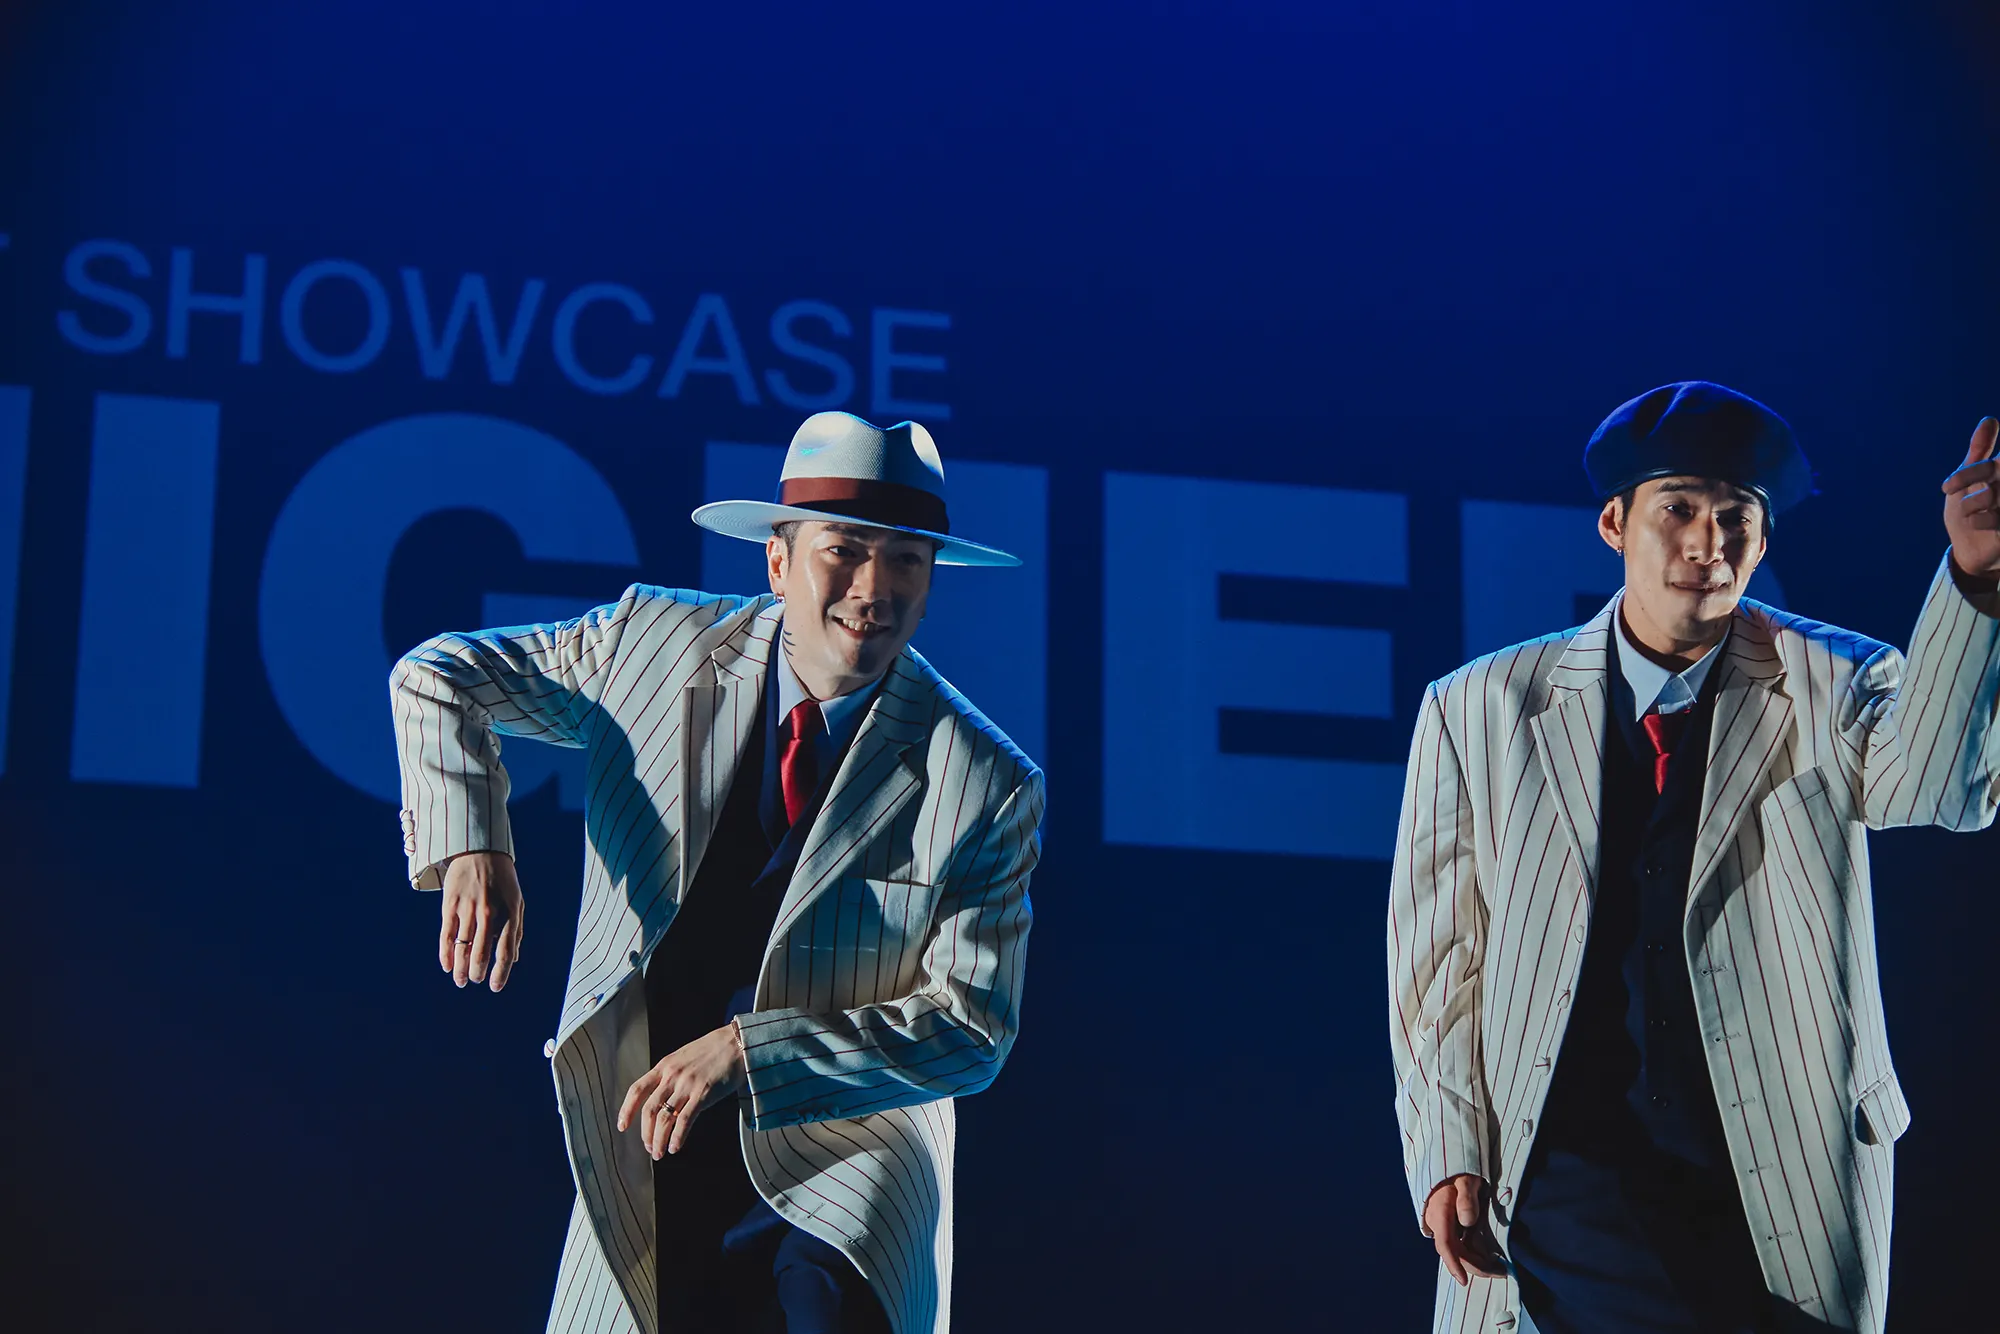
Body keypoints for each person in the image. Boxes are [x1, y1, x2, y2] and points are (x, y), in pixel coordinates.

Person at [390, 411, 1046, 1334]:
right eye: (844, 550)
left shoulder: (986, 781)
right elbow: (440, 675)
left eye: (905, 559)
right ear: (778, 562)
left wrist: (750, 1052)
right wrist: (473, 842)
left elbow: (970, 1031)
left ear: (931, 583)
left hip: (844, 1161)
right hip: (649, 1140)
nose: (874, 588)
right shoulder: (652, 648)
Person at [1387, 381, 2000, 1333]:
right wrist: (1447, 1142)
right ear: (1614, 524)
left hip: (1775, 1171)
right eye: (1677, 509)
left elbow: (1938, 790)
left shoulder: (1835, 678)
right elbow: (1437, 959)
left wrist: (1973, 578)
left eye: (1736, 519)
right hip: (1562, 1171)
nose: (1707, 543)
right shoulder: (1479, 707)